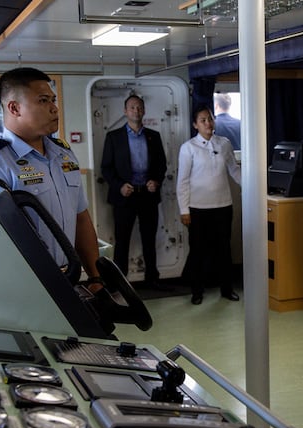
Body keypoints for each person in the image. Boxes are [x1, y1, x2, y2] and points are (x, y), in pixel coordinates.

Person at [0, 67, 103, 290]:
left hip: (69, 279)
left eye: (53, 100)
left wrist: (95, 278)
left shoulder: (63, 154)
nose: (54, 108)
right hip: (24, 286)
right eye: (43, 101)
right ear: (14, 108)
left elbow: (80, 218)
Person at [101, 94, 169, 290]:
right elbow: (106, 168)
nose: (136, 111)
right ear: (125, 111)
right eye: (132, 107)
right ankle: (120, 284)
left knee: (149, 239)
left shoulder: (154, 136)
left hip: (148, 195)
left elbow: (162, 165)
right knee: (122, 241)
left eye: (139, 107)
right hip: (125, 197)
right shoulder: (114, 137)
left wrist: (156, 181)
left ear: (144, 111)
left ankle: (152, 279)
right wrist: (119, 186)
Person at [177, 105, 242, 305]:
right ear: (195, 125)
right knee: (198, 250)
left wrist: (253, 188)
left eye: (210, 119)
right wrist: (184, 210)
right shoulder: (188, 147)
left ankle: (227, 289)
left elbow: (234, 170)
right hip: (197, 208)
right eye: (203, 120)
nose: (208, 123)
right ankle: (197, 291)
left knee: (224, 249)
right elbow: (182, 181)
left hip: (223, 206)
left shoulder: (224, 143)